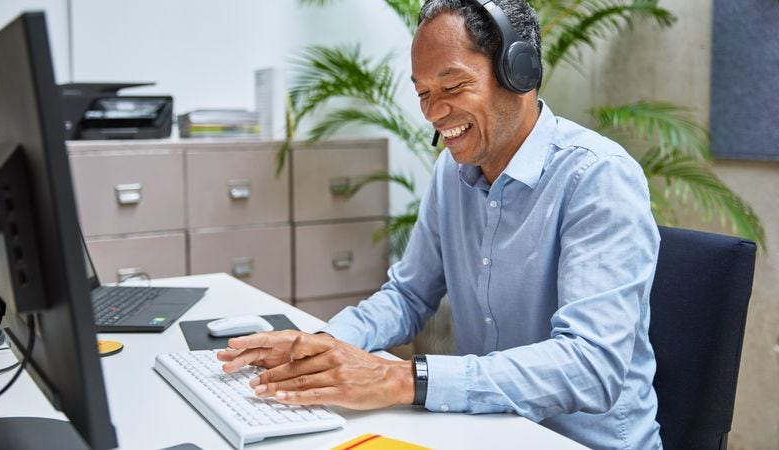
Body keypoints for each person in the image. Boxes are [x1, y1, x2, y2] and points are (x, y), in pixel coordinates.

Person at [217, 0, 662, 448]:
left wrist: (402, 378)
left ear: (520, 72)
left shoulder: (598, 177)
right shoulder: (451, 174)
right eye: (424, 93)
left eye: (452, 86)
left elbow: (591, 367)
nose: (433, 113)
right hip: (487, 432)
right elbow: (408, 296)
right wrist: (318, 345)